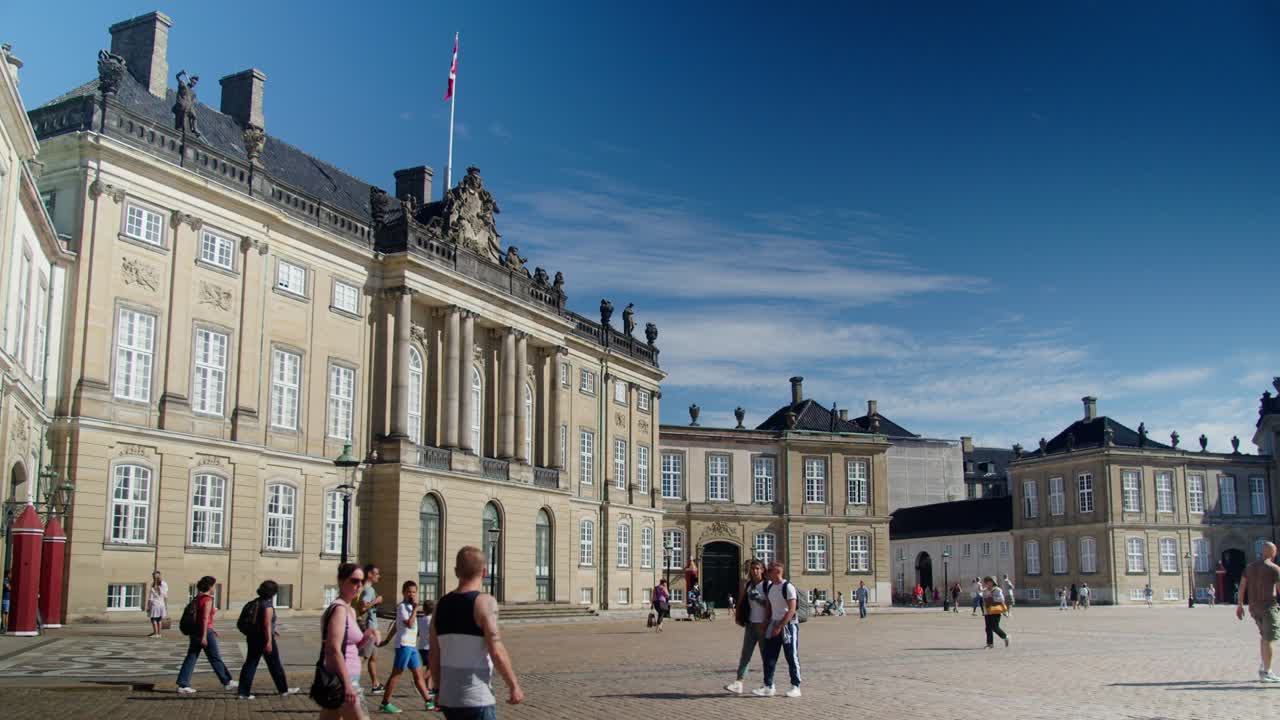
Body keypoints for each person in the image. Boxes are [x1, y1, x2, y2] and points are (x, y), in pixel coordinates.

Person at [428, 545, 524, 719]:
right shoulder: (484, 603)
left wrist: (437, 690)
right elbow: (496, 650)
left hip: (449, 698)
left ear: (456, 571)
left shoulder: (440, 605)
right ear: (484, 571)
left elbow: (434, 654)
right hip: (476, 698)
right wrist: (513, 685)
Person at [320, 563, 378, 720]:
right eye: (354, 581)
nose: (359, 585)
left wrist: (367, 635)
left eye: (361, 581)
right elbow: (333, 649)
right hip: (342, 680)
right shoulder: (338, 609)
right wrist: (347, 685)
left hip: (347, 677)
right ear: (341, 581)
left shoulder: (350, 610)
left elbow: (350, 645)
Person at [377, 581, 433, 713]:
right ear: (403, 592)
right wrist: (414, 609)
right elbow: (409, 624)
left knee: (418, 674)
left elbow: (396, 626)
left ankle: (428, 701)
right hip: (404, 645)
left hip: (412, 645)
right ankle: (385, 703)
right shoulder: (402, 607)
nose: (412, 594)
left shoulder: (408, 607)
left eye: (414, 592)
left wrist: (387, 640)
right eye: (409, 592)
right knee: (397, 674)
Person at [238, 580, 300, 699]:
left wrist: (272, 630)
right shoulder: (267, 605)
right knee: (274, 664)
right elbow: (266, 624)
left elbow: (262, 622)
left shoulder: (255, 602)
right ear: (272, 593)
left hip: (252, 636)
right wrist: (269, 642)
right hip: (263, 638)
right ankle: (283, 690)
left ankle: (243, 692)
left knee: (250, 664)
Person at [177, 575, 236, 694]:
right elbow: (204, 618)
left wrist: (212, 628)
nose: (214, 588)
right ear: (210, 586)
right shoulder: (207, 599)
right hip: (204, 632)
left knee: (192, 657)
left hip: (195, 631)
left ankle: (183, 684)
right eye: (214, 585)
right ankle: (227, 681)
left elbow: (203, 618)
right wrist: (205, 635)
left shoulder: (198, 597)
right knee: (215, 657)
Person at [754, 560, 801, 698]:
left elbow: (792, 609)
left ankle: (796, 686)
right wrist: (767, 621)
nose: (766, 573)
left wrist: (780, 626)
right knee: (769, 655)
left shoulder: (788, 587)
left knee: (791, 656)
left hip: (788, 626)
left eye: (769, 570)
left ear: (778, 572)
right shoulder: (770, 587)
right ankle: (768, 686)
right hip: (774, 623)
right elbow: (769, 606)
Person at [1237, 541, 1280, 683]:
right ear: (1272, 552)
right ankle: (1267, 672)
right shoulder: (1274, 568)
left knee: (1264, 636)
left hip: (1254, 608)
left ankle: (1264, 667)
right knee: (1269, 639)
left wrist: (1240, 605)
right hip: (1268, 607)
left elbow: (1242, 586)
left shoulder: (1249, 567)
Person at [725, 559, 768, 694]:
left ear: (762, 570)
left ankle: (768, 684)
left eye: (757, 568)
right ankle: (739, 682)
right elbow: (741, 601)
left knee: (766, 656)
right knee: (745, 655)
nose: (755, 571)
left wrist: (760, 600)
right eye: (753, 568)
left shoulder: (767, 585)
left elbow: (772, 604)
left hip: (763, 625)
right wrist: (738, 616)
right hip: (750, 624)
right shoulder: (749, 585)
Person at [356, 565, 385, 694]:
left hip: (371, 627)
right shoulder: (369, 590)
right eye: (377, 574)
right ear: (369, 574)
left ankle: (375, 684)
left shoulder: (366, 589)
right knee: (363, 657)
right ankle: (349, 680)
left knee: (373, 657)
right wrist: (376, 601)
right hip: (369, 628)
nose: (379, 576)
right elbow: (362, 608)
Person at [415, 598, 436, 710]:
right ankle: (420, 682)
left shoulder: (420, 619)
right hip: (430, 647)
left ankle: (429, 688)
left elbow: (417, 633)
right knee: (432, 668)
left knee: (428, 666)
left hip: (422, 647)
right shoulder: (432, 620)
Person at [981, 576, 1010, 649]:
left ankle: (1005, 637)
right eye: (986, 581)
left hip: (995, 610)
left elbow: (1001, 599)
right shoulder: (984, 590)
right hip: (987, 611)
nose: (987, 582)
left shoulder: (997, 590)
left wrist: (992, 598)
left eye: (989, 581)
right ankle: (990, 644)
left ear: (993, 582)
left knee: (994, 627)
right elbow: (984, 600)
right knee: (988, 628)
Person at [147, 571, 168, 638]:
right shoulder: (164, 584)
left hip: (155, 604)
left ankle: (156, 633)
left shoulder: (153, 585)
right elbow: (165, 596)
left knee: (154, 619)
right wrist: (165, 605)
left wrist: (148, 606)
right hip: (161, 604)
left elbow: (150, 598)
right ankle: (159, 633)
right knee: (159, 619)